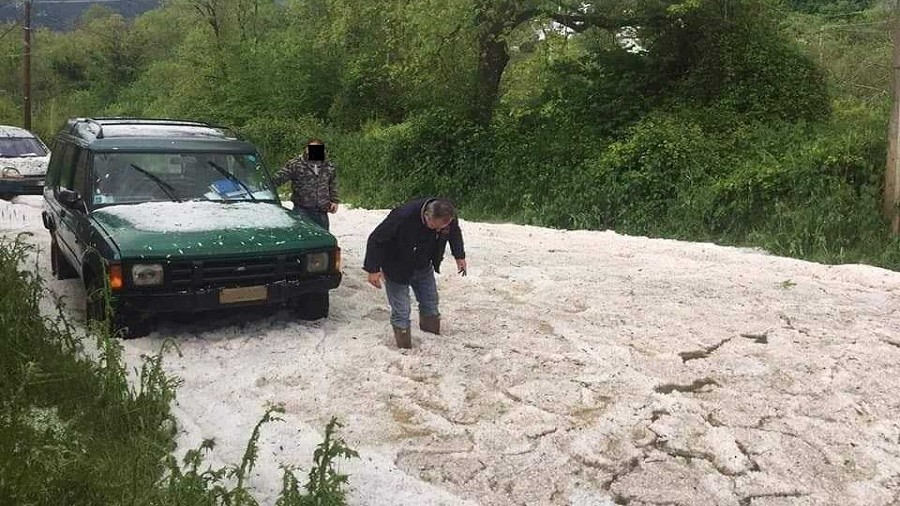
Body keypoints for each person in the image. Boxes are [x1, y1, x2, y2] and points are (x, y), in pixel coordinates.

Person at [363, 197, 467, 348]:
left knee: (431, 304)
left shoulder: (447, 216)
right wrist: (373, 269)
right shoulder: (402, 216)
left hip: (423, 265)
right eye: (435, 227)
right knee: (402, 311)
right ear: (427, 216)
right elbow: (376, 239)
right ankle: (404, 348)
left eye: (441, 228)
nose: (438, 230)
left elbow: (454, 232)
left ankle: (432, 340)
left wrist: (459, 255)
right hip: (397, 267)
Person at [272, 139, 339, 230]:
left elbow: (332, 184)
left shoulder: (328, 166)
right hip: (302, 210)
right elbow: (278, 179)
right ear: (307, 150)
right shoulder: (295, 164)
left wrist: (334, 201)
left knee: (323, 239)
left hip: (322, 211)